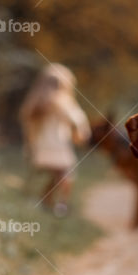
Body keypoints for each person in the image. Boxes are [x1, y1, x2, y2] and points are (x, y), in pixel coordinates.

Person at [19, 63, 90, 217]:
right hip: (58, 147)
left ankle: (45, 200)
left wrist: (30, 147)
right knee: (66, 174)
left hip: (39, 149)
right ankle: (62, 204)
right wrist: (80, 133)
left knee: (56, 175)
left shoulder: (33, 103)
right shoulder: (61, 102)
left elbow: (28, 128)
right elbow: (77, 121)